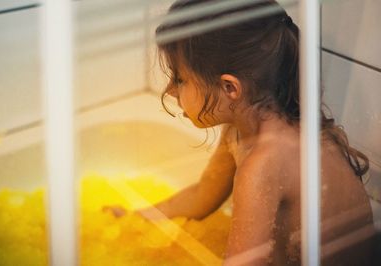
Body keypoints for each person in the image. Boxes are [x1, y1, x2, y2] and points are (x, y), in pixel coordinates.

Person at [104, 0, 375, 264]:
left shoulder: (264, 162)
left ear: (230, 88)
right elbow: (202, 196)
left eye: (181, 79)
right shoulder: (246, 130)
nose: (171, 91)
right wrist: (137, 218)